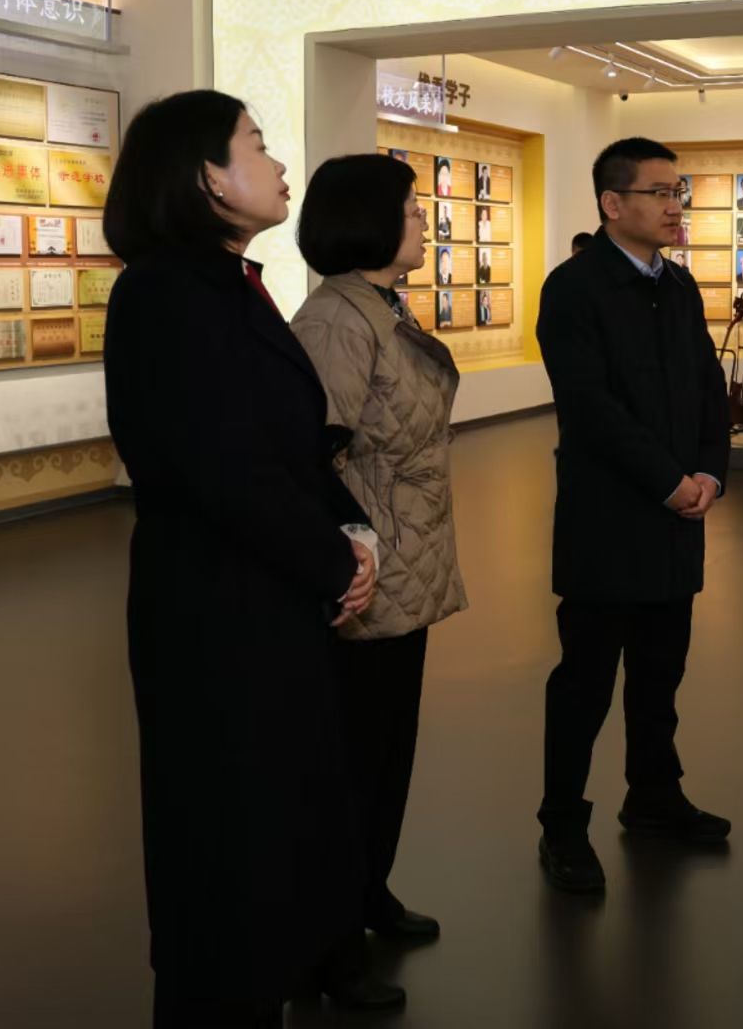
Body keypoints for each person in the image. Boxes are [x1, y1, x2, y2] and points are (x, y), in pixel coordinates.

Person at [102, 90, 393, 1026]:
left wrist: (352, 532)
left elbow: (291, 445)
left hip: (264, 603)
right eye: (258, 147)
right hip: (213, 616)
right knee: (223, 847)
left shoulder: (228, 285)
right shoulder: (163, 295)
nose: (279, 166)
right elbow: (221, 468)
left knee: (274, 834)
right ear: (209, 178)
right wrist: (333, 561)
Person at [534, 136, 732, 895]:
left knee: (660, 674)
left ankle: (653, 795)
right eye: (660, 192)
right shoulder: (574, 289)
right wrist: (667, 480)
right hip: (607, 522)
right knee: (584, 681)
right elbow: (590, 407)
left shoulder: (678, 286)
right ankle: (561, 824)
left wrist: (708, 470)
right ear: (613, 203)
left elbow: (709, 386)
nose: (675, 205)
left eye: (679, 191)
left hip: (677, 519)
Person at [292, 152, 469, 962]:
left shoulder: (381, 307)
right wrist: (351, 552)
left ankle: (369, 891)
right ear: (366, 220)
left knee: (389, 746)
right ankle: (330, 933)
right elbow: (310, 452)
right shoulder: (338, 318)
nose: (423, 220)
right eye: (409, 208)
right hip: (369, 564)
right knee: (354, 756)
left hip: (405, 553)